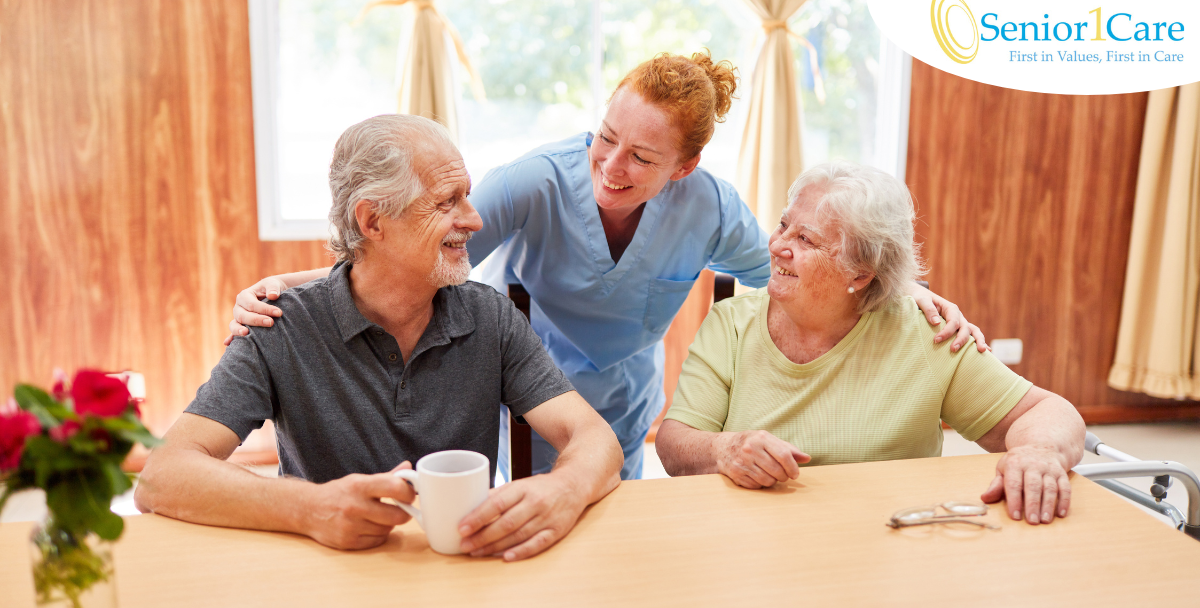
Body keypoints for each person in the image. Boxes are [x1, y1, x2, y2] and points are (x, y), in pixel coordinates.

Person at [224, 52, 986, 481]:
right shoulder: (534, 181)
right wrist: (290, 288)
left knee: (607, 511)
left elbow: (798, 266)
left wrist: (909, 294)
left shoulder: (711, 206)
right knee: (514, 502)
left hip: (622, 395)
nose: (611, 166)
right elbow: (417, 251)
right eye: (604, 137)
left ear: (684, 168)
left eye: (642, 157)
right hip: (521, 376)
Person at [135, 115, 623, 560]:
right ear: (372, 221)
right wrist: (309, 507)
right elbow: (162, 476)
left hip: (462, 568)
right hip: (325, 573)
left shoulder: (489, 317)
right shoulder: (278, 326)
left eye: (467, 196)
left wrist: (564, 490)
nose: (474, 219)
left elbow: (595, 438)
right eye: (446, 201)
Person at [655, 162, 1085, 525]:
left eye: (806, 239)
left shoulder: (924, 333)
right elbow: (675, 444)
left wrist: (1038, 452)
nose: (778, 246)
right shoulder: (731, 325)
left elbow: (1046, 411)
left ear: (860, 275)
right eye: (784, 225)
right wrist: (723, 449)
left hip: (889, 541)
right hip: (753, 538)